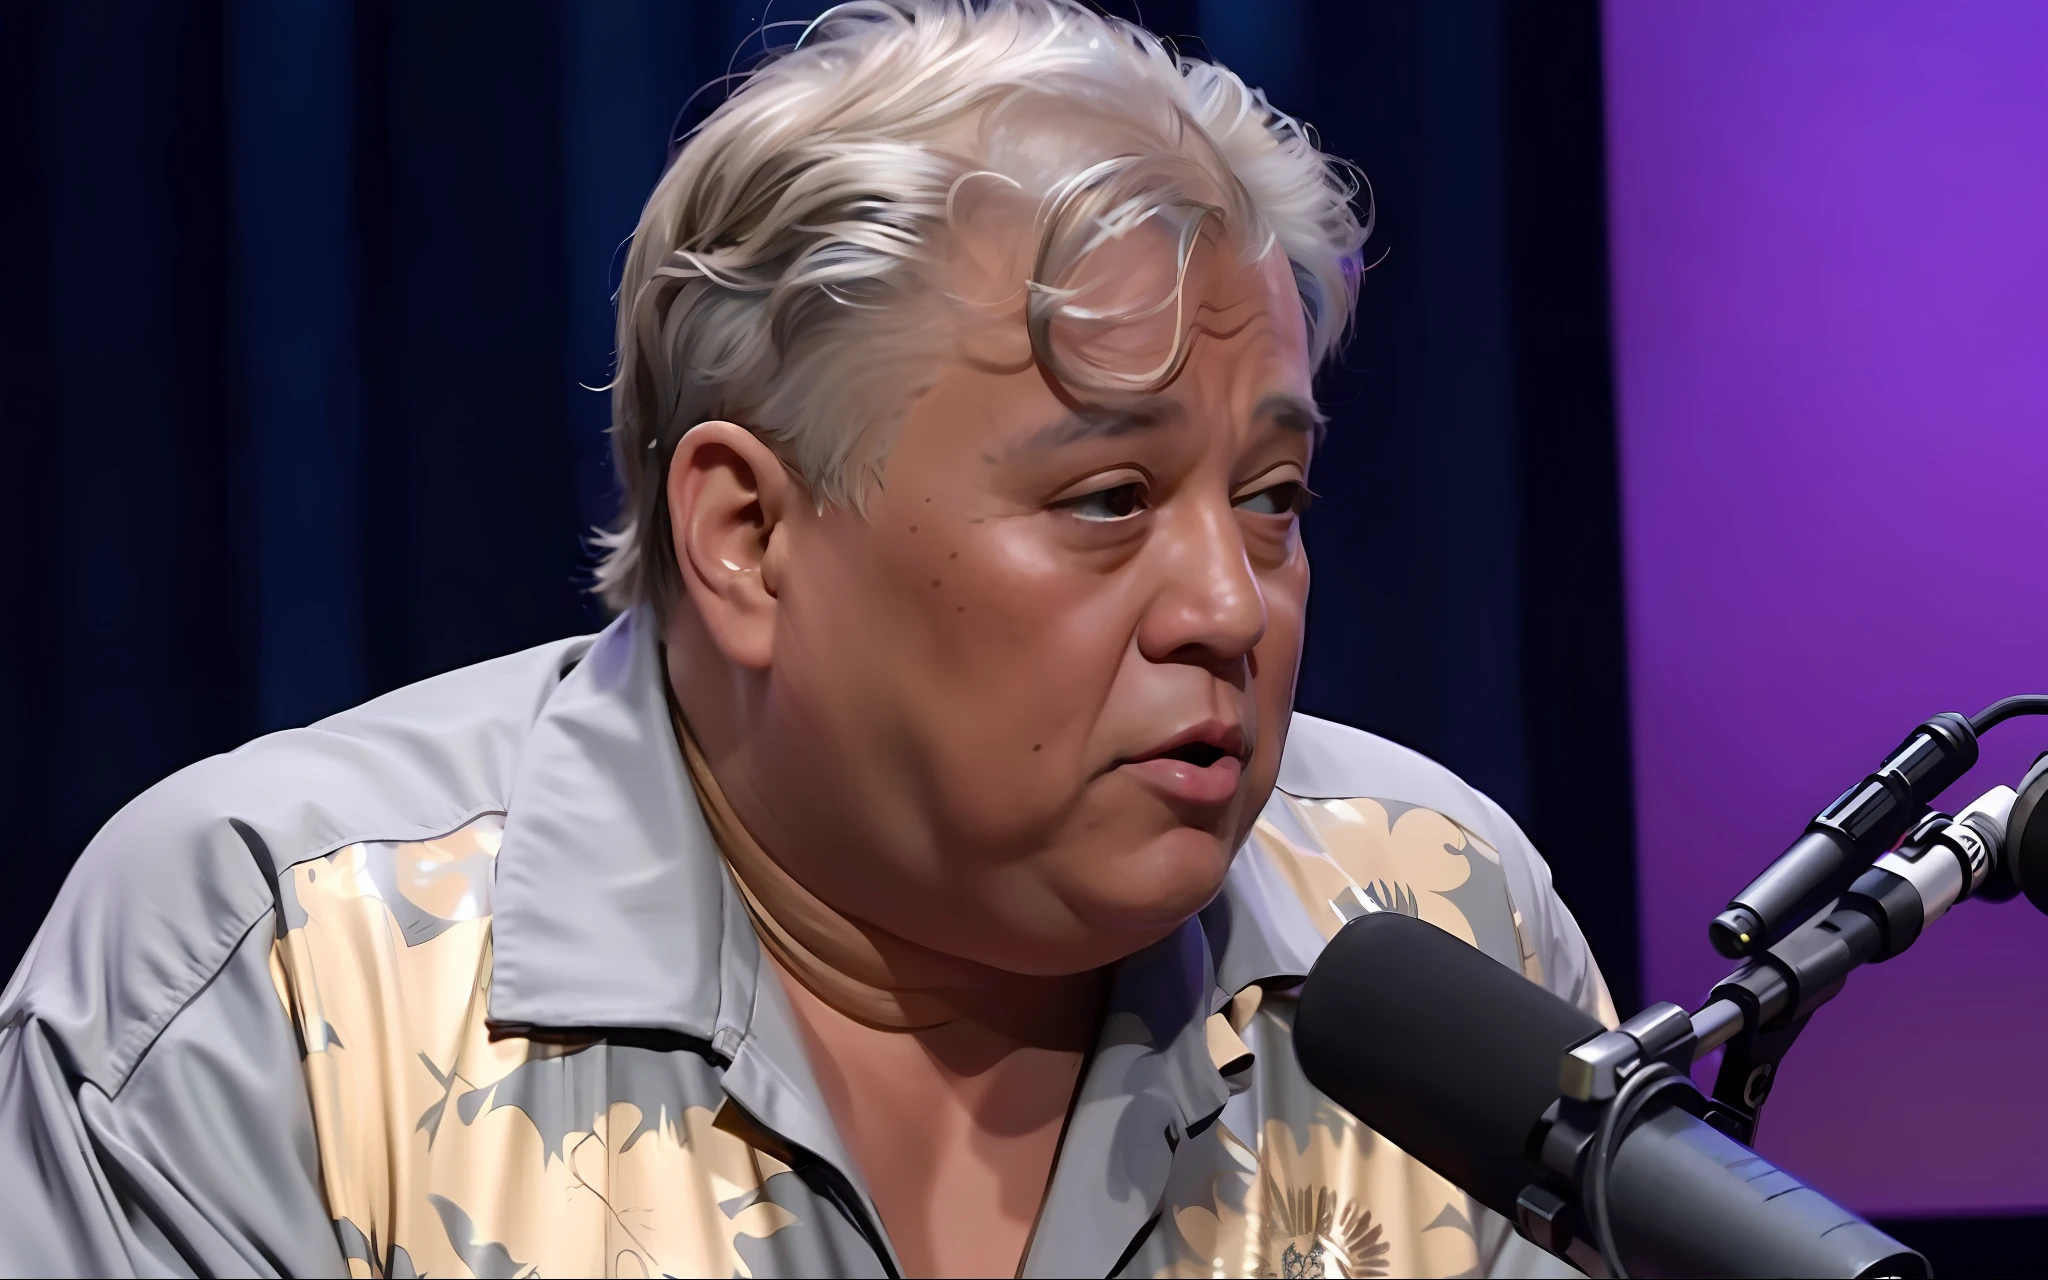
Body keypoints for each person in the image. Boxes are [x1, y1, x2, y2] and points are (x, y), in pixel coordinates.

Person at [0, 2, 1615, 1275]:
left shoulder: (1433, 920)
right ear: (748, 538)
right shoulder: (276, 977)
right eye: (1111, 498)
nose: (1227, 606)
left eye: (1271, 498)